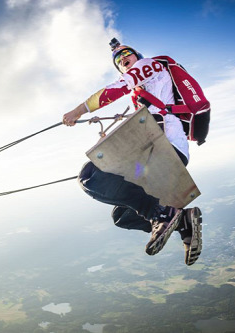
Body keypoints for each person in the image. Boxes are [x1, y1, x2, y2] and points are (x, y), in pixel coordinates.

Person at [62, 38, 202, 265]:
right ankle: (181, 221)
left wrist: (78, 111)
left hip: (164, 150)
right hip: (158, 156)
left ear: (137, 56)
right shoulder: (144, 93)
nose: (123, 59)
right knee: (122, 216)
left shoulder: (150, 66)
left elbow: (114, 90)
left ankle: (163, 214)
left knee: (90, 177)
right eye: (118, 60)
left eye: (126, 54)